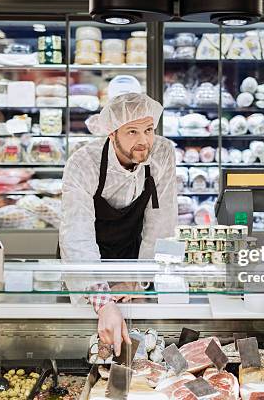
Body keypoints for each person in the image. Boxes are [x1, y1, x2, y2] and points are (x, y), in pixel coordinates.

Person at [60, 92, 177, 355]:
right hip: (87, 261)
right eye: (132, 131)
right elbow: (76, 234)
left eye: (149, 130)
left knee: (139, 347)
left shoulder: (162, 153)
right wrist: (102, 301)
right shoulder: (83, 163)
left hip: (133, 258)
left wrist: (140, 280)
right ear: (112, 133)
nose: (144, 141)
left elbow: (162, 222)